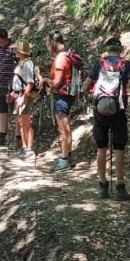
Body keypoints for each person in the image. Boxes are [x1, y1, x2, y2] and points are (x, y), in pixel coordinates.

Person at [83, 38, 130, 201]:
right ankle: (120, 187)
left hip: (100, 111)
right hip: (118, 110)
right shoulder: (126, 65)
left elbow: (86, 86)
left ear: (107, 50)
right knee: (119, 148)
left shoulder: (99, 63)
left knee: (101, 148)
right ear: (120, 49)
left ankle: (103, 186)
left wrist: (91, 102)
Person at [47, 31, 76, 172]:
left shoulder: (60, 59)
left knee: (64, 129)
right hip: (68, 95)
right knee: (65, 128)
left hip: (62, 96)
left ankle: (65, 159)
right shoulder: (67, 56)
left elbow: (57, 82)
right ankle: (67, 156)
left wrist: (46, 81)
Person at [11, 41, 37, 159]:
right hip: (19, 95)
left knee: (26, 122)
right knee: (21, 122)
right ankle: (24, 146)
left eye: (16, 49)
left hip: (24, 96)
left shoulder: (27, 63)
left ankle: (29, 148)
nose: (14, 51)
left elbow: (30, 83)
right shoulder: (21, 62)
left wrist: (24, 97)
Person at [0, 28, 17, 147]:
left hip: (12, 85)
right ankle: (2, 134)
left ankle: (17, 137)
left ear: (4, 39)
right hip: (1, 83)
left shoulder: (13, 49)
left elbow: (17, 67)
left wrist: (13, 85)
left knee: (14, 110)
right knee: (2, 109)